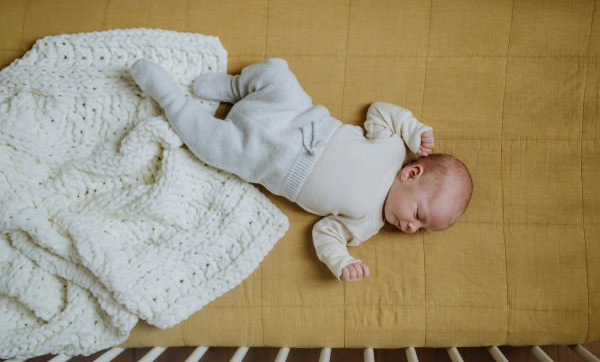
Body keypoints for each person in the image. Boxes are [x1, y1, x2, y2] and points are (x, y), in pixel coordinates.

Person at [130, 58, 473, 282]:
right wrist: (413, 129)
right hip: (294, 116)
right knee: (278, 73)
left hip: (263, 161)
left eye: (421, 229)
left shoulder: (367, 224)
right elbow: (380, 112)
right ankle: (235, 88)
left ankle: (170, 99)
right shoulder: (394, 149)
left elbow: (325, 234)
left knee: (210, 148)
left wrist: (340, 261)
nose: (411, 227)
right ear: (411, 175)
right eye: (419, 214)